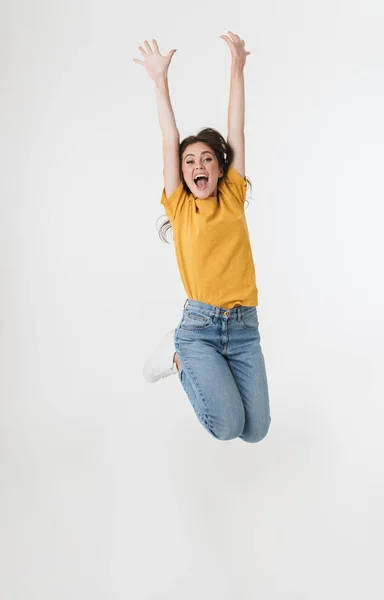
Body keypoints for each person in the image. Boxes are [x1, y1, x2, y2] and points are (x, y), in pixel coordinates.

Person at [133, 32, 271, 443]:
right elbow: (169, 138)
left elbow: (236, 130)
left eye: (207, 159)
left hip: (245, 328)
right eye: (190, 161)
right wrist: (160, 81)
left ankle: (195, 364)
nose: (198, 165)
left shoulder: (232, 194)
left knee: (256, 431)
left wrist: (237, 68)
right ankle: (178, 356)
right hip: (200, 326)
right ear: (182, 172)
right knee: (227, 427)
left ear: (219, 167)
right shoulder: (179, 205)